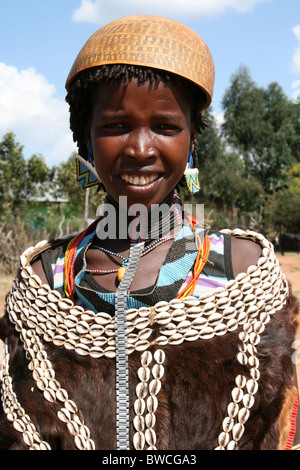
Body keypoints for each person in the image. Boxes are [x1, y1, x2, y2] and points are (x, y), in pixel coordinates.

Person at [0, 15, 299, 451]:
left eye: (165, 126)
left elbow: (280, 430)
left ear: (193, 137)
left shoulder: (243, 271)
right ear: (86, 136)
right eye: (116, 126)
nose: (141, 149)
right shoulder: (46, 281)